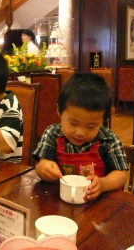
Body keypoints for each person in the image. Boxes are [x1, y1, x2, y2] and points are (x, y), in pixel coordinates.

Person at [33, 72, 128, 201]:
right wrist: (44, 169)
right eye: (73, 123)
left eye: (91, 126)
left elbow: (121, 175)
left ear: (103, 120)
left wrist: (103, 184)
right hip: (62, 200)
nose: (80, 133)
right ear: (59, 111)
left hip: (98, 204)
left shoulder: (108, 140)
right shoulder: (52, 134)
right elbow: (41, 165)